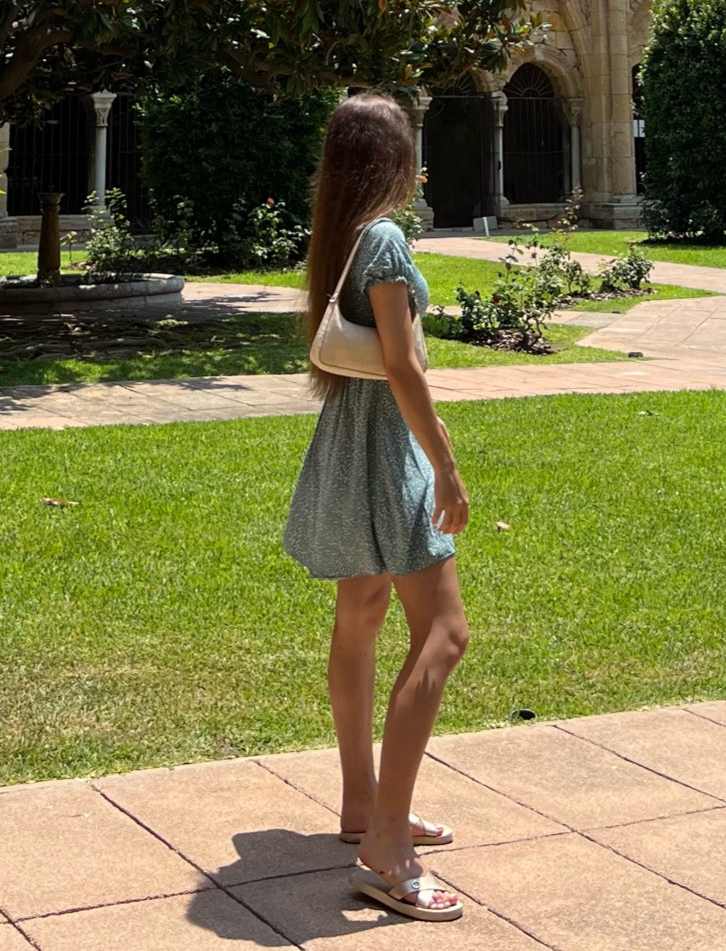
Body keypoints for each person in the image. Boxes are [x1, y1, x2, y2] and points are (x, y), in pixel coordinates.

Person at [284, 93, 470, 923]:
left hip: (344, 443)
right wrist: (449, 468)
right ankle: (385, 844)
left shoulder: (343, 235)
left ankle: (364, 801)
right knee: (445, 633)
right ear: (392, 159)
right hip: (388, 448)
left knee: (358, 615)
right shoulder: (387, 236)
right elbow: (401, 364)